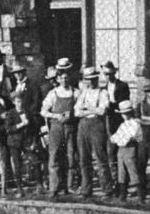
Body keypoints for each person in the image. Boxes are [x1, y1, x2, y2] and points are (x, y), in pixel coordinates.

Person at [73, 64, 114, 197]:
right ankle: (86, 189)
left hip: (97, 126)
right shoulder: (83, 93)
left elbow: (102, 110)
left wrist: (87, 109)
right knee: (84, 158)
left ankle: (107, 189)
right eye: (87, 79)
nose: (90, 82)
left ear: (96, 79)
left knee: (100, 157)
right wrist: (90, 110)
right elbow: (76, 112)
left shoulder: (103, 92)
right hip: (83, 125)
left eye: (92, 79)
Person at [41, 59, 77, 198]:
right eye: (61, 78)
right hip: (56, 127)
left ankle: (69, 186)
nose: (64, 80)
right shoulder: (53, 93)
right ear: (58, 79)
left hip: (70, 127)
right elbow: (43, 111)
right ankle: (54, 187)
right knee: (55, 156)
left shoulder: (75, 92)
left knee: (70, 155)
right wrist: (56, 115)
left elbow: (80, 109)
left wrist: (71, 114)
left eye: (66, 78)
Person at [110, 99, 144, 201]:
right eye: (123, 114)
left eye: (126, 113)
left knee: (133, 172)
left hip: (130, 149)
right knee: (122, 172)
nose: (124, 115)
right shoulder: (123, 125)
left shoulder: (135, 124)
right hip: (121, 150)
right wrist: (119, 139)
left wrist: (120, 139)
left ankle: (141, 196)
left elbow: (128, 138)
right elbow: (114, 138)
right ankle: (122, 195)